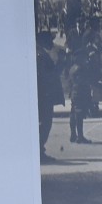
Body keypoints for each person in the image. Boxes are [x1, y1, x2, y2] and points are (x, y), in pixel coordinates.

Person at [36, 31, 63, 163]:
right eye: (49, 40)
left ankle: (40, 150)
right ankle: (39, 151)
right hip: (44, 96)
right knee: (45, 123)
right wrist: (60, 64)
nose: (51, 43)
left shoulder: (40, 53)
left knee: (44, 123)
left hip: (44, 95)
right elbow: (48, 76)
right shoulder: (40, 55)